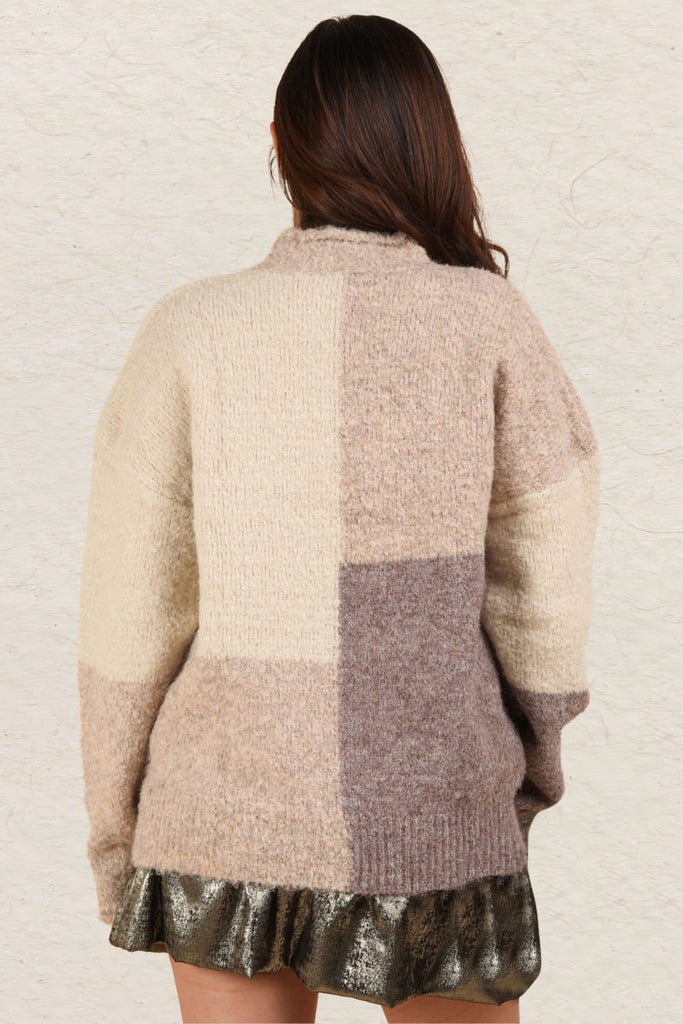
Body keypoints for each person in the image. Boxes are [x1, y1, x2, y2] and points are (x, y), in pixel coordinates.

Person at [77, 13, 601, 1024]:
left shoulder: (191, 327)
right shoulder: (489, 320)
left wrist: (116, 835)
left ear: (281, 145)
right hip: (437, 805)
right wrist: (525, 771)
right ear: (432, 141)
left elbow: (127, 618)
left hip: (222, 810)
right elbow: (547, 584)